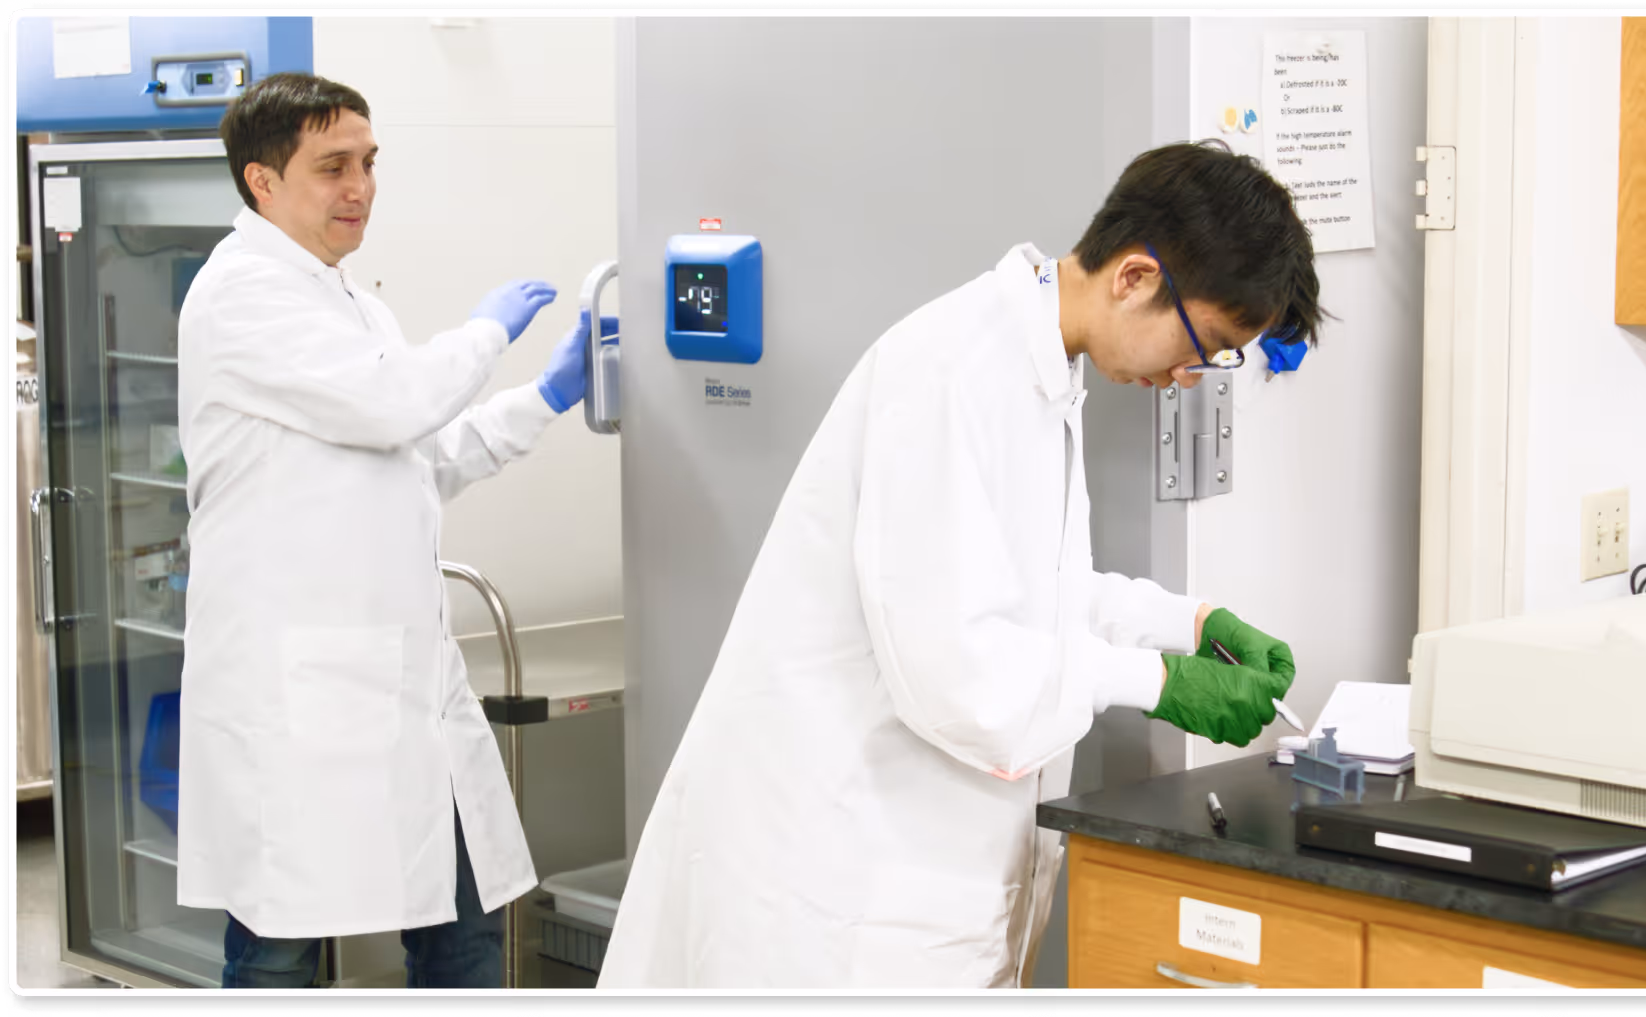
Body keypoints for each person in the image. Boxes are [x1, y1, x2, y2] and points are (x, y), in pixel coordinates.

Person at [598, 142, 1320, 989]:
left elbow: (1015, 586)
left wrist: (1182, 623)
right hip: (840, 878)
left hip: (911, 868)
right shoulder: (955, 371)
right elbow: (957, 668)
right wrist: (1157, 682)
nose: (1193, 375)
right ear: (1133, 277)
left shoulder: (1040, 373)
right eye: (1209, 343)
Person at [175, 72, 595, 988]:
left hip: (404, 693)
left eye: (367, 162)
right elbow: (393, 400)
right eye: (332, 167)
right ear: (262, 182)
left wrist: (549, 397)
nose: (360, 186)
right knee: (281, 948)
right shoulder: (240, 295)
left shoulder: (355, 304)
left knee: (468, 931)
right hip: (299, 698)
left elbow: (426, 451)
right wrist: (487, 333)